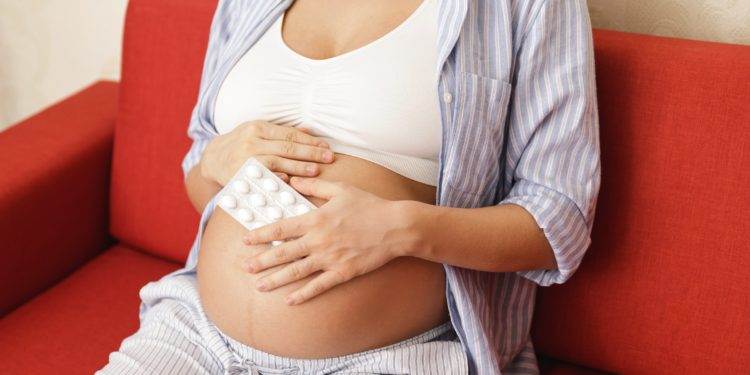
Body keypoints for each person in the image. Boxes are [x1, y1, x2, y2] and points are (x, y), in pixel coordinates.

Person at [98, 0, 600, 373]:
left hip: (394, 354)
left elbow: (558, 221)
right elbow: (201, 179)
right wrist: (213, 160)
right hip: (199, 331)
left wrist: (400, 229)